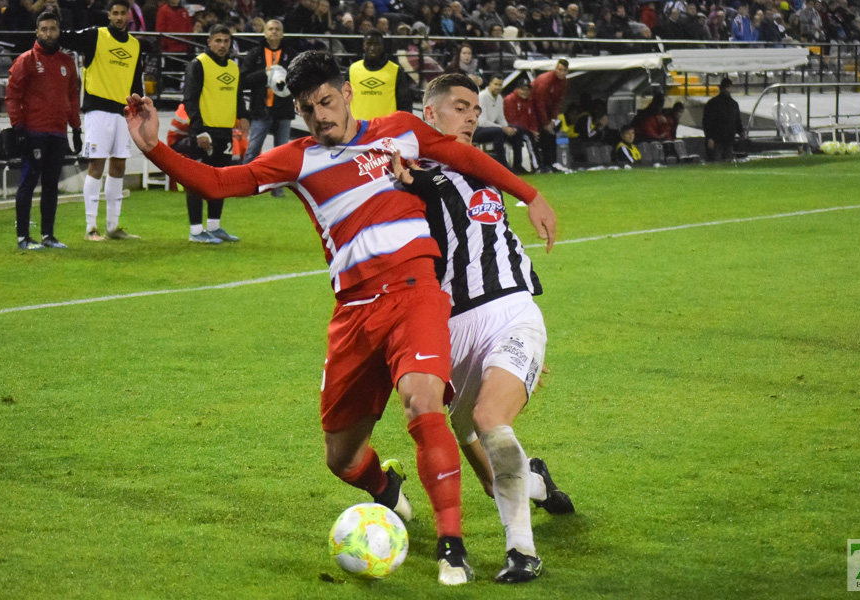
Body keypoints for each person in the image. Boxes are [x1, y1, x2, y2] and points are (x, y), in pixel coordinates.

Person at [126, 50, 556, 586]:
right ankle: (385, 488)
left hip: (416, 293)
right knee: (341, 457)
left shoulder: (399, 130)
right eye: (308, 110)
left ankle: (453, 546)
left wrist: (531, 193)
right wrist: (154, 147)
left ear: (347, 93)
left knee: (424, 404)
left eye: (326, 102)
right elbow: (218, 184)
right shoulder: (298, 158)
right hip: (354, 314)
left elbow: (468, 160)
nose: (320, 116)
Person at [391, 73, 571, 584]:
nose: (472, 116)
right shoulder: (406, 176)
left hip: (512, 310)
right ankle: (536, 481)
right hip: (453, 329)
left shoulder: (483, 168)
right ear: (430, 115)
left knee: (493, 417)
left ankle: (522, 552)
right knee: (488, 464)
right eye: (459, 107)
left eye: (475, 108)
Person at [60, 0, 145, 242]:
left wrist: (138, 107)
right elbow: (67, 38)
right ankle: (90, 228)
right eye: (115, 13)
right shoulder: (95, 35)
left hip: (122, 112)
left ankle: (113, 227)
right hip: (97, 110)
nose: (119, 17)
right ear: (109, 15)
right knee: (96, 166)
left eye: (123, 13)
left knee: (119, 166)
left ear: (129, 16)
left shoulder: (135, 45)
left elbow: (136, 82)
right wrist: (51, 28)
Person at [5, 11, 81, 250]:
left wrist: (76, 129)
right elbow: (12, 95)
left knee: (51, 184)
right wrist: (18, 127)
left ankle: (48, 235)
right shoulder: (26, 60)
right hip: (34, 132)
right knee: (28, 182)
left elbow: (72, 97)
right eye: (44, 29)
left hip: (58, 133)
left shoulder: (67, 63)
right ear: (37, 32)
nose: (49, 33)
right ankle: (23, 237)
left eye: (53, 29)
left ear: (59, 31)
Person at [172, 24, 247, 244]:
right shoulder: (199, 64)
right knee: (197, 181)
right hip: (203, 132)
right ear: (209, 42)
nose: (223, 45)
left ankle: (214, 226)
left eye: (226, 41)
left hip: (225, 131)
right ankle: (196, 231)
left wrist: (243, 116)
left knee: (220, 180)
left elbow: (238, 95)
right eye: (218, 40)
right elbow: (190, 100)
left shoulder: (233, 67)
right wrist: (199, 130)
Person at [241, 18, 296, 196]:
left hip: (283, 109)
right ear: (265, 33)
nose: (274, 32)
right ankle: (242, 185)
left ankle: (278, 191)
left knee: (281, 154)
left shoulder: (291, 54)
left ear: (282, 33)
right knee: (253, 151)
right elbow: (244, 79)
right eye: (270, 29)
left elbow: (299, 79)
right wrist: (264, 74)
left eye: (277, 29)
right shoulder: (255, 53)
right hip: (260, 109)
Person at [348, 29, 410, 120]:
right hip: (358, 130)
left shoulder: (395, 71)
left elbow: (405, 104)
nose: (372, 48)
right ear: (363, 46)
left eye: (376, 44)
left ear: (382, 46)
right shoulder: (352, 70)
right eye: (369, 44)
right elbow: (344, 102)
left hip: (387, 130)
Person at [476, 75, 525, 173]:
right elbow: (482, 122)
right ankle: (503, 166)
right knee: (498, 131)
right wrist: (503, 128)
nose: (498, 87)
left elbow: (500, 118)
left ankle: (518, 166)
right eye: (495, 84)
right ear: (490, 84)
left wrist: (508, 128)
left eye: (500, 85)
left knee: (518, 130)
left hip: (491, 129)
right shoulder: (482, 97)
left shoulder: (499, 98)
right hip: (477, 130)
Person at [531, 58, 570, 172]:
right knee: (543, 135)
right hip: (534, 110)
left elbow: (558, 101)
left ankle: (552, 163)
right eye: (559, 69)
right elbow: (539, 102)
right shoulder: (546, 80)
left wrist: (553, 119)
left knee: (552, 134)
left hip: (547, 111)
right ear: (555, 69)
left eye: (564, 71)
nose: (561, 73)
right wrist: (545, 123)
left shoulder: (564, 82)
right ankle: (543, 165)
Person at [702, 77, 744, 162]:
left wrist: (709, 137)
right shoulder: (733, 104)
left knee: (717, 163)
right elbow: (737, 121)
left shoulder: (712, 103)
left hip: (719, 139)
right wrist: (741, 132)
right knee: (725, 162)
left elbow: (706, 122)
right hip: (725, 139)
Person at [503, 79, 540, 172]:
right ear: (517, 89)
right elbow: (511, 120)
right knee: (529, 138)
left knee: (544, 136)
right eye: (522, 89)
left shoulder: (529, 101)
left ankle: (548, 164)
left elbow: (532, 118)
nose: (525, 92)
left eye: (527, 89)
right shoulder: (510, 100)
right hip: (513, 129)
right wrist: (530, 131)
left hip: (525, 130)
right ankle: (537, 167)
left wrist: (534, 130)